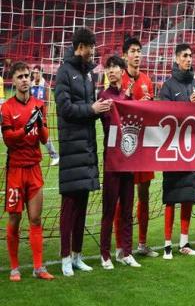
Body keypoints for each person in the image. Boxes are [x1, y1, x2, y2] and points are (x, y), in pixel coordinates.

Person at [55, 28, 111, 276]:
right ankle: (65, 257)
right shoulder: (64, 72)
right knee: (69, 207)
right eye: (91, 47)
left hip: (87, 148)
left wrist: (102, 108)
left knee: (82, 205)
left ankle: (77, 255)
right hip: (71, 148)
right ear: (81, 46)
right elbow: (64, 108)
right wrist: (91, 109)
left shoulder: (89, 74)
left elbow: (91, 109)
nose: (93, 51)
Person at [2, 61, 54, 281]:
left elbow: (44, 138)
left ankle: (38, 267)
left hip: (34, 168)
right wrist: (26, 128)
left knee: (35, 219)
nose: (25, 80)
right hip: (15, 170)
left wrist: (39, 124)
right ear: (13, 81)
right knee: (15, 218)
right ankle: (14, 268)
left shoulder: (39, 104)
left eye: (27, 76)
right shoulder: (6, 108)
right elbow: (8, 139)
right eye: (20, 76)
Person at [159, 44, 195, 259]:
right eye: (185, 56)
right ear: (177, 59)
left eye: (190, 56)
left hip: (194, 149)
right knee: (171, 196)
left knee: (188, 195)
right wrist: (188, 104)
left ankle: (184, 242)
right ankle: (167, 244)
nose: (189, 59)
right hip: (174, 150)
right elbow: (164, 115)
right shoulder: (168, 86)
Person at [118, 37, 158, 259]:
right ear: (125, 55)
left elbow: (153, 114)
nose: (137, 55)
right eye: (133, 51)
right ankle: (121, 246)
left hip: (144, 144)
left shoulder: (147, 80)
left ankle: (142, 243)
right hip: (125, 146)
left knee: (144, 193)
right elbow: (115, 111)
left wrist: (149, 105)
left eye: (139, 51)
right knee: (124, 196)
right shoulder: (119, 79)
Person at [98, 55, 140, 269]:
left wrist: (131, 101)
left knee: (127, 209)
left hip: (129, 159)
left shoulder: (128, 96)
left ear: (122, 71)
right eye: (108, 67)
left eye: (115, 67)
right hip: (113, 160)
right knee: (109, 208)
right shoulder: (104, 97)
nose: (111, 70)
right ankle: (104, 254)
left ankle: (127, 252)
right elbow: (108, 124)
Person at [30, 65, 59, 166]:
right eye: (34, 72)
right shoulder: (31, 85)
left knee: (43, 135)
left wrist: (44, 114)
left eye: (37, 72)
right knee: (31, 135)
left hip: (41, 114)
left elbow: (48, 101)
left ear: (41, 73)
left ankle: (55, 156)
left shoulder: (45, 85)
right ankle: (33, 156)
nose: (35, 74)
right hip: (31, 113)